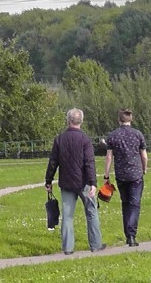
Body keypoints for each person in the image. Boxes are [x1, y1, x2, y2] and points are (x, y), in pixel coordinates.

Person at [45, 108, 106, 255]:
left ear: (68, 120)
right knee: (91, 212)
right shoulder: (85, 140)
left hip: (66, 183)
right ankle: (95, 245)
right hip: (84, 182)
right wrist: (93, 183)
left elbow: (53, 162)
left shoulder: (60, 139)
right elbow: (89, 163)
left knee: (67, 215)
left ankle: (68, 248)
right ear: (81, 121)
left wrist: (48, 180)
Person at [104, 108, 148, 247]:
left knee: (125, 203)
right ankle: (131, 234)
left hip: (121, 174)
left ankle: (128, 234)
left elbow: (109, 157)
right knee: (135, 204)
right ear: (131, 119)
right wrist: (144, 168)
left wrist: (106, 175)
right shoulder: (138, 134)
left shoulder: (113, 136)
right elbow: (144, 155)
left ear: (119, 120)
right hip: (136, 174)